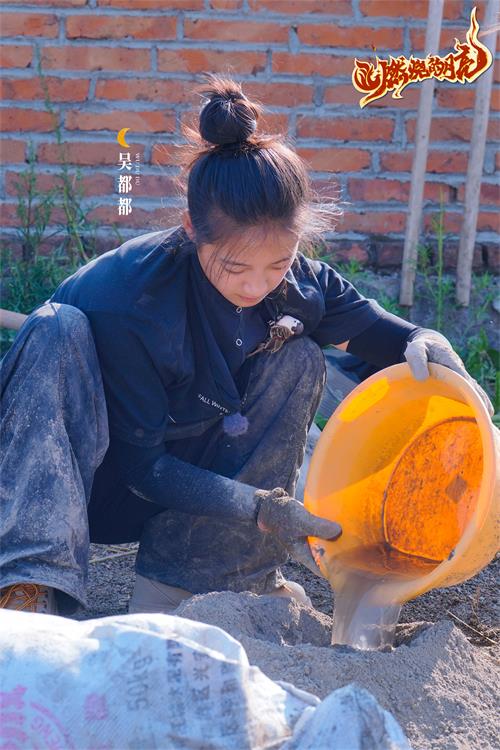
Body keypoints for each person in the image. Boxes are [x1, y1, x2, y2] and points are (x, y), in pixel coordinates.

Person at [0, 75, 493, 617]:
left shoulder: (296, 284)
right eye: (236, 267)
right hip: (90, 479)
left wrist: (426, 340)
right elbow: (144, 469)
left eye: (277, 263)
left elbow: (383, 335)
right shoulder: (134, 300)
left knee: (300, 356)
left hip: (185, 482)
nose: (257, 285)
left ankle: (199, 582)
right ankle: (28, 585)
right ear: (192, 230)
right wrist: (259, 506)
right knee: (56, 328)